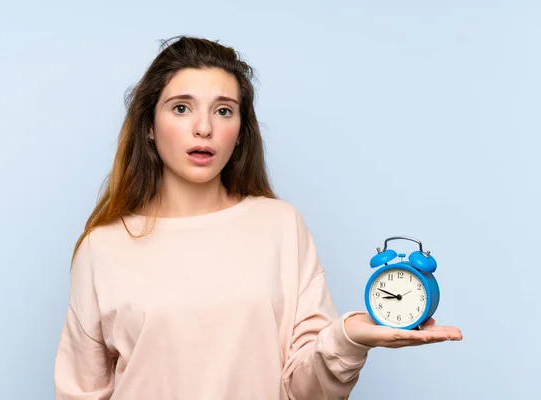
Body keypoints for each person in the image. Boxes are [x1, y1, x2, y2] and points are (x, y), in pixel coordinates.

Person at [53, 35, 462, 399]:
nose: (203, 128)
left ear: (241, 130)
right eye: (181, 108)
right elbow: (80, 391)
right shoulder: (103, 247)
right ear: (149, 126)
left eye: (224, 111)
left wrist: (349, 338)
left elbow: (306, 391)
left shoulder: (280, 226)